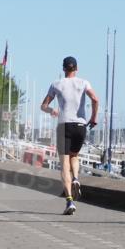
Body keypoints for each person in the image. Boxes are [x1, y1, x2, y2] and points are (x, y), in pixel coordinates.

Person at [40, 56, 99, 215]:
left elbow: (43, 105)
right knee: (75, 156)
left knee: (64, 162)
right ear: (77, 68)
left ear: (64, 69)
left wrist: (52, 110)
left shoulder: (56, 84)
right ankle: (76, 178)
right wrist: (93, 118)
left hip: (64, 125)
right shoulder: (84, 83)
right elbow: (95, 98)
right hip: (80, 125)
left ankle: (70, 201)